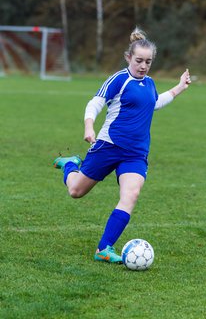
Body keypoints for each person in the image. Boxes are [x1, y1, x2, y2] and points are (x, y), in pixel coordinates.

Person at [53, 27, 191, 264]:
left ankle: (104, 248)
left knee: (131, 194)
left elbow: (154, 104)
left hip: (136, 153)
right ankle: (70, 164)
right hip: (108, 145)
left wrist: (179, 87)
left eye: (148, 61)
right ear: (129, 57)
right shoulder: (119, 79)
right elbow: (94, 104)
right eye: (139, 60)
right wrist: (89, 127)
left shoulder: (149, 83)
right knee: (76, 191)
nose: (143, 66)